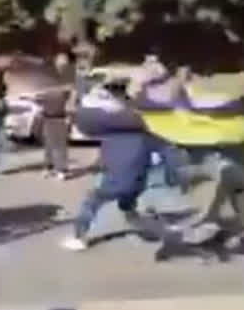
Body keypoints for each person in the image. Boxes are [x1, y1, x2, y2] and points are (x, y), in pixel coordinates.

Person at [60, 82, 168, 251]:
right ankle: (144, 226)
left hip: (119, 179)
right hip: (138, 181)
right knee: (127, 203)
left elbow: (108, 156)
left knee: (93, 200)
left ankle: (79, 237)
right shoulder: (142, 127)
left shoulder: (114, 126)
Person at [39, 51, 75, 180]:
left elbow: (71, 98)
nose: (62, 66)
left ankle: (59, 169)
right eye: (60, 63)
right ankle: (51, 168)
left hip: (59, 115)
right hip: (48, 114)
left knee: (58, 144)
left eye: (64, 63)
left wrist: (70, 116)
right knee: (51, 143)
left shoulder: (68, 78)